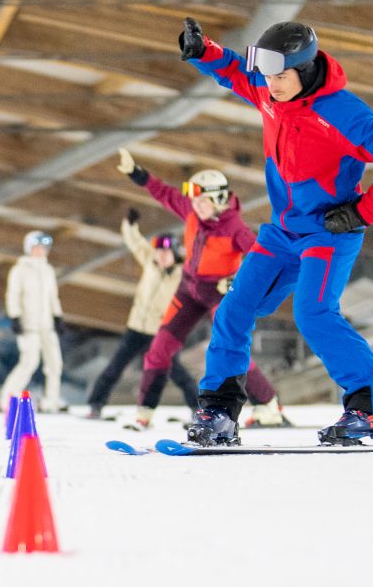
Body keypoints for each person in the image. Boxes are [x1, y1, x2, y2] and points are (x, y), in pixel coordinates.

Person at [173, 16, 373, 446]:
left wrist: (362, 212)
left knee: (314, 313)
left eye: (281, 75)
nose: (271, 84)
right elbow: (234, 70)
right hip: (282, 233)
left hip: (328, 232)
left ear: (305, 71)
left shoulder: (344, 113)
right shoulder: (272, 93)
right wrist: (202, 51)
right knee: (233, 310)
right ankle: (219, 412)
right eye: (268, 75)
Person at [116, 153, 287, 431]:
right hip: (188, 289)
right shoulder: (193, 213)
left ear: (218, 199)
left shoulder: (235, 229)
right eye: (193, 200)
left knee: (231, 349)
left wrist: (233, 280)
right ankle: (144, 413)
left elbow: (262, 263)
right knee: (159, 349)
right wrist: (136, 172)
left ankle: (268, 406)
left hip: (218, 294)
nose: (195, 206)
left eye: (201, 200)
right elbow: (164, 193)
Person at [82, 208, 199, 418]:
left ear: (175, 253)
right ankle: (95, 405)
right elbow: (135, 242)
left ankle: (197, 408)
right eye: (159, 253)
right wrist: (130, 224)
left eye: (166, 253)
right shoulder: (150, 263)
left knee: (175, 372)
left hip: (161, 332)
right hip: (136, 328)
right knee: (115, 367)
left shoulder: (183, 276)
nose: (161, 257)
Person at [0, 229, 64, 408]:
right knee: (30, 361)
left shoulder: (48, 270)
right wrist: (15, 316)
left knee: (55, 363)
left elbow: (52, 296)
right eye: (36, 247)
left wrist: (57, 316)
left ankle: (51, 399)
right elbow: (13, 295)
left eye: (44, 248)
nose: (40, 251)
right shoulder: (20, 270)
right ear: (29, 248)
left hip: (46, 324)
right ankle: (8, 397)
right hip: (28, 324)